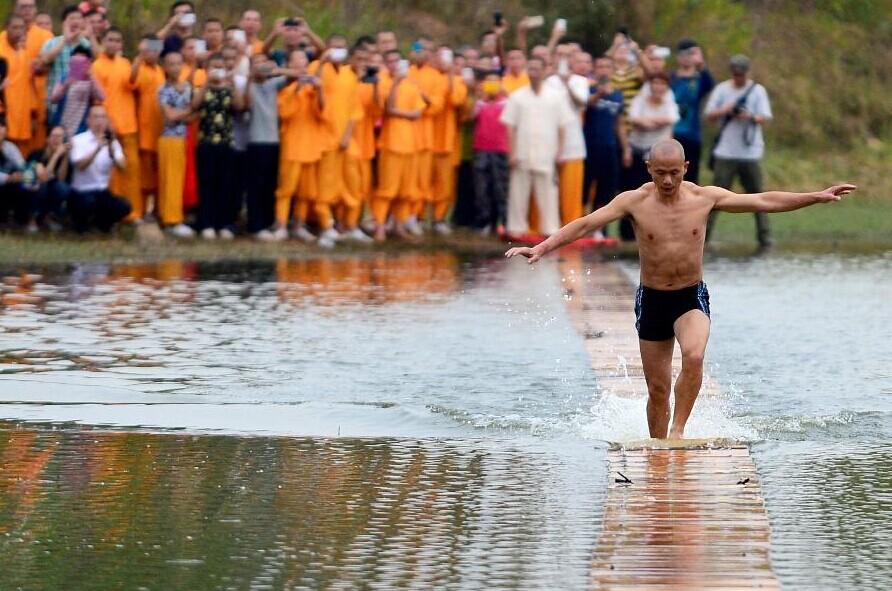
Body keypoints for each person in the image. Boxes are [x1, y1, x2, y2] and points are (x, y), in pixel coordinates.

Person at [506, 138, 857, 439]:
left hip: (690, 295)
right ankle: (659, 449)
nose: (668, 180)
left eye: (675, 172)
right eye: (660, 173)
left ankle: (678, 432)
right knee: (657, 391)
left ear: (686, 167)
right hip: (652, 299)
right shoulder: (634, 202)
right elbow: (585, 223)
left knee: (694, 355)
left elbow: (763, 201)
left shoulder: (705, 198)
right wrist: (541, 247)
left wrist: (816, 196)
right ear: (649, 169)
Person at [500, 56, 575, 237]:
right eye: (530, 69)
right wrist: (511, 153)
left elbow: (563, 126)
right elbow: (510, 126)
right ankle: (516, 229)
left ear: (544, 71)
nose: (533, 73)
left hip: (546, 153)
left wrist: (560, 151)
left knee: (548, 193)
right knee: (518, 192)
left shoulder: (556, 97)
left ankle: (550, 229)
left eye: (537, 69)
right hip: (522, 152)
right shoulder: (517, 97)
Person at [704, 54, 773, 248]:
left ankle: (764, 237)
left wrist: (749, 117)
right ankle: (704, 237)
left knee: (758, 196)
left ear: (746, 73)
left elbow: (764, 117)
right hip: (725, 152)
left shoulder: (757, 91)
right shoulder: (722, 89)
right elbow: (709, 115)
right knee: (715, 198)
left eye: (741, 74)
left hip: (750, 153)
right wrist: (726, 110)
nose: (738, 77)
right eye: (735, 74)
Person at [372, 49, 425, 242]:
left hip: (410, 144)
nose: (394, 65)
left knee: (406, 190)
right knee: (387, 188)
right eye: (390, 62)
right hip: (391, 144)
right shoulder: (383, 83)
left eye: (397, 61)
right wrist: (395, 84)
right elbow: (388, 109)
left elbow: (417, 113)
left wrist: (398, 112)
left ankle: (399, 226)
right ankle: (379, 226)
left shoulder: (411, 85)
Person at [190, 52, 245, 240]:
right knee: (207, 184)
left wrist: (232, 83)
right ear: (206, 69)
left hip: (226, 143)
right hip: (206, 143)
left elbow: (239, 107)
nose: (217, 70)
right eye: (214, 67)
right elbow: (194, 106)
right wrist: (207, 83)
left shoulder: (229, 88)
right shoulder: (201, 88)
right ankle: (206, 223)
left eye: (221, 66)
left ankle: (225, 224)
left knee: (226, 185)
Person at [92, 27, 143, 222]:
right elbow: (97, 99)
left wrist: (137, 64)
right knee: (110, 172)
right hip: (108, 127)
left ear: (121, 44)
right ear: (103, 42)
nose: (114, 43)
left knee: (131, 170)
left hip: (128, 124)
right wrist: (105, 123)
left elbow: (132, 85)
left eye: (117, 40)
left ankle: (134, 212)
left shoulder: (125, 63)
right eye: (110, 40)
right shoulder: (97, 66)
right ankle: (113, 213)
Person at [274, 48, 325, 242]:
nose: (302, 63)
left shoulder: (312, 89)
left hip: (310, 146)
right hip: (292, 146)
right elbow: (285, 114)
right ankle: (281, 225)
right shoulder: (286, 90)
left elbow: (321, 112)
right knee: (286, 189)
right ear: (290, 65)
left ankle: (299, 224)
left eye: (304, 59)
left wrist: (319, 89)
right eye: (297, 60)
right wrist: (296, 89)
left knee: (306, 191)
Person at [623, 72, 679, 240]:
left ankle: (659, 231)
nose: (658, 87)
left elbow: (671, 118)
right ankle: (628, 234)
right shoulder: (640, 100)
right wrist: (655, 121)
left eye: (662, 84)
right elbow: (635, 119)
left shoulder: (669, 101)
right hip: (637, 150)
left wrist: (649, 121)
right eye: (655, 83)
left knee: (658, 192)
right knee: (633, 192)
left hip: (659, 155)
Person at [583, 56, 631, 236]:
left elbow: (619, 123)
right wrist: (599, 94)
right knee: (586, 187)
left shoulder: (618, 94)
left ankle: (600, 229)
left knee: (607, 189)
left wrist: (626, 148)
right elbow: (587, 103)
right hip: (589, 147)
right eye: (600, 66)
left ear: (612, 70)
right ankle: (581, 225)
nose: (603, 70)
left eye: (607, 66)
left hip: (610, 147)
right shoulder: (588, 90)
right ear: (595, 69)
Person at [68, 104, 132, 232]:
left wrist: (112, 150)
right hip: (81, 193)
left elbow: (123, 167)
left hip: (102, 192)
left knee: (124, 206)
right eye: (96, 117)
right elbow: (80, 166)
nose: (99, 121)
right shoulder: (78, 140)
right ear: (88, 120)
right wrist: (97, 148)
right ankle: (81, 224)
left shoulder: (112, 142)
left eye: (103, 117)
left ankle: (102, 224)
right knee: (87, 203)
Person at [244, 53, 288, 239]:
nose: (261, 66)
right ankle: (256, 225)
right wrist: (250, 78)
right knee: (256, 185)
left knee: (270, 185)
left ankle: (269, 222)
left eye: (263, 62)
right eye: (257, 63)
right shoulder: (249, 85)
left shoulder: (273, 84)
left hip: (273, 141)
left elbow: (297, 74)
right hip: (255, 141)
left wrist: (276, 70)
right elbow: (245, 105)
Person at [156, 50, 195, 238]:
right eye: (171, 64)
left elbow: (195, 115)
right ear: (164, 67)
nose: (176, 68)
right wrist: (188, 110)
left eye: (179, 63)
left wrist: (185, 113)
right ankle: (171, 220)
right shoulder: (164, 89)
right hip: (169, 138)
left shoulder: (187, 87)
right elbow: (169, 116)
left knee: (179, 180)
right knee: (170, 179)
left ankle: (173, 216)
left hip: (183, 137)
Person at [38, 5, 93, 123]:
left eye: (78, 18)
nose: (75, 21)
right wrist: (65, 40)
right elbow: (44, 60)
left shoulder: (87, 45)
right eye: (71, 18)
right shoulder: (52, 42)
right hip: (55, 104)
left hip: (79, 108)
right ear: (64, 22)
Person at [130, 34, 166, 218]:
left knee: (158, 171)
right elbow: (131, 81)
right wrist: (139, 58)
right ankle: (143, 209)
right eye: (149, 49)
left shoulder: (160, 70)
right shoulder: (139, 68)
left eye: (156, 49)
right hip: (144, 127)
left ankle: (157, 209)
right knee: (144, 173)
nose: (153, 53)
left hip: (160, 128)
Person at [670, 39, 715, 185]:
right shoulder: (670, 78)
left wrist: (700, 62)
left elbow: (710, 84)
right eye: (683, 54)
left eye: (690, 54)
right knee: (669, 173)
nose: (686, 58)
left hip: (692, 134)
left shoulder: (700, 79)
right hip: (670, 133)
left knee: (691, 176)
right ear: (677, 57)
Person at [471, 72, 509, 235]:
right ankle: (484, 221)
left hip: (500, 149)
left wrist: (504, 93)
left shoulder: (506, 102)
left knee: (500, 188)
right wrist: (479, 97)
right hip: (481, 148)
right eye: (489, 82)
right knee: (482, 187)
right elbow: (470, 116)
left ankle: (503, 221)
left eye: (495, 82)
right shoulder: (481, 102)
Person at [26, 125, 72, 231]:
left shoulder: (64, 157)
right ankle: (32, 219)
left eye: (60, 137)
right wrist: (56, 156)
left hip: (51, 191)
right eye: (54, 136)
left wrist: (65, 157)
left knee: (62, 188)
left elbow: (62, 179)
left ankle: (49, 217)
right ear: (47, 138)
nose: (57, 139)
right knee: (43, 186)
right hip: (32, 189)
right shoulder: (37, 154)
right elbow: (43, 178)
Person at [0, 14, 34, 156]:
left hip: (20, 113)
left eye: (21, 28)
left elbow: (28, 85)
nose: (18, 31)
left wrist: (33, 112)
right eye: (14, 27)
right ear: (6, 29)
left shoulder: (24, 53)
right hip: (3, 112)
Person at [0, 116, 31, 227]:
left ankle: (20, 220)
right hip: (4, 181)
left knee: (25, 185)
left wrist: (23, 175)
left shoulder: (10, 147)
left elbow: (22, 165)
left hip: (10, 182)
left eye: (2, 129)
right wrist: (8, 178)